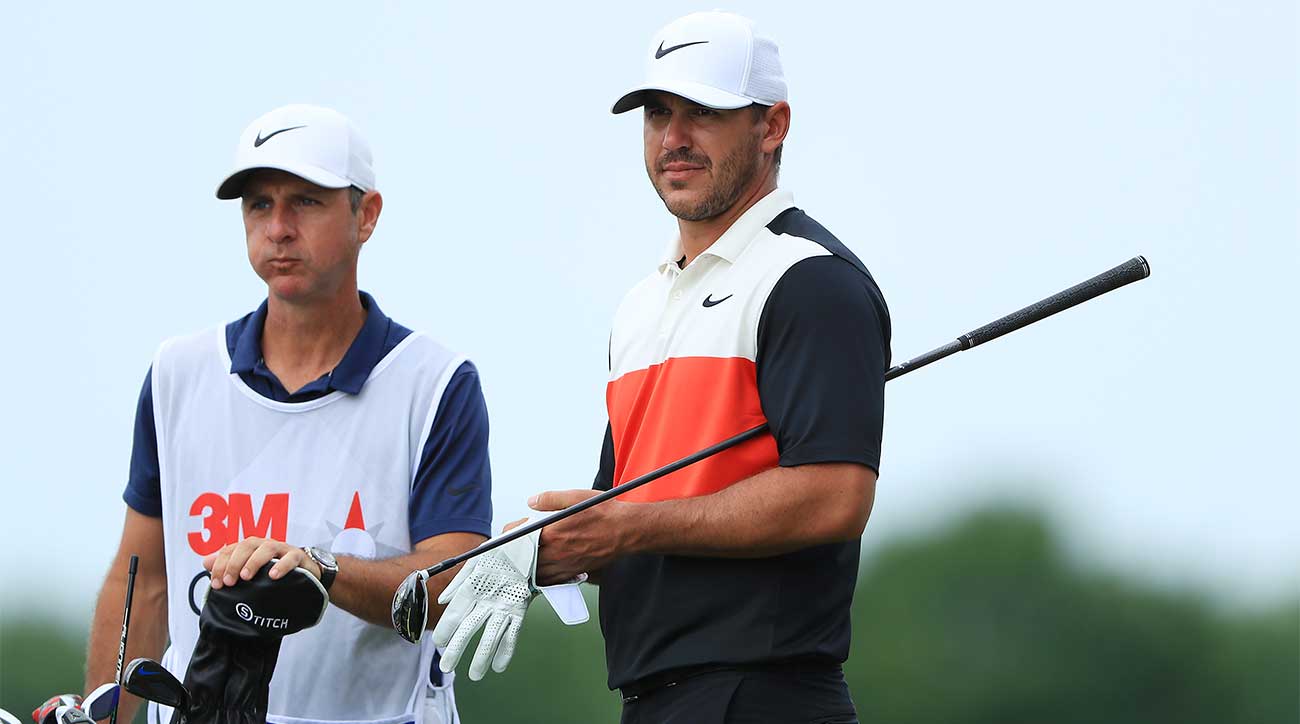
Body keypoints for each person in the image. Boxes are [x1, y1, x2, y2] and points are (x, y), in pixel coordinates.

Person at [432, 10, 890, 724]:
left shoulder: (810, 280)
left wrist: (624, 528)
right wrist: (540, 546)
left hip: (764, 694)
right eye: (657, 114)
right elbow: (619, 507)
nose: (673, 138)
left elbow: (835, 495)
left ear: (772, 126)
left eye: (702, 112)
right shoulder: (641, 305)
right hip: (653, 699)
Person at [82, 104, 491, 724]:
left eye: (305, 202)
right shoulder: (178, 373)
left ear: (366, 215)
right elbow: (144, 581)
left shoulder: (435, 382)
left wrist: (320, 570)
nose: (277, 228)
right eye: (259, 204)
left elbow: (449, 587)